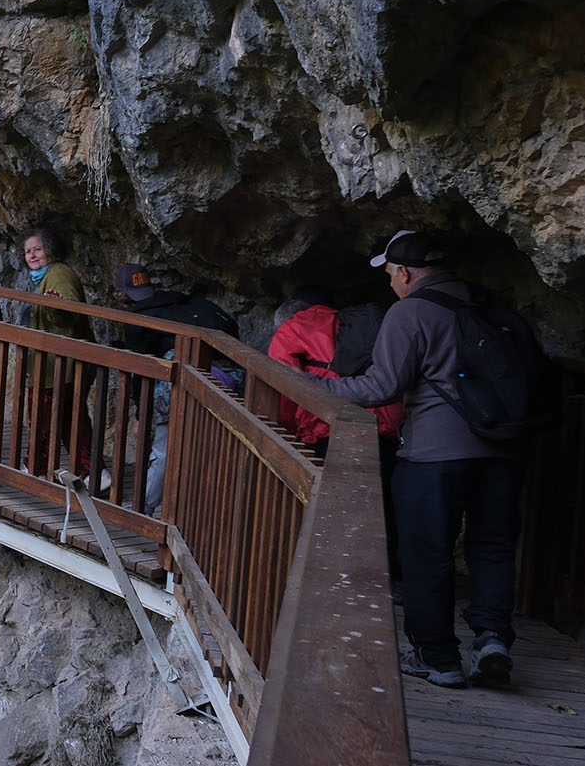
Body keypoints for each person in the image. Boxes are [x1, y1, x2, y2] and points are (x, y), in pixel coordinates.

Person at [304, 230, 526, 690]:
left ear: (404, 272)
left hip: (433, 456)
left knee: (426, 554)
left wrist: (314, 385)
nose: (390, 284)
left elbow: (379, 387)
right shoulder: (492, 304)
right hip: (502, 450)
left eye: (389, 275)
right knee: (493, 546)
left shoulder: (411, 312)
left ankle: (437, 655)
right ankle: (491, 638)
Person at [270, 286, 408, 590]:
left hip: (325, 429)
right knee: (381, 505)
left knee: (329, 509)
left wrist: (283, 432)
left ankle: (334, 578)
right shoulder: (362, 322)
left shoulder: (291, 330)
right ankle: (392, 580)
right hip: (381, 427)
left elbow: (284, 387)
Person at [113, 263, 240, 512]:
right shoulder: (184, 302)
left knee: (164, 449)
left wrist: (142, 415)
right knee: (211, 453)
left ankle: (142, 509)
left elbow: (141, 370)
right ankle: (201, 511)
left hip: (183, 386)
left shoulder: (138, 319)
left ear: (121, 294)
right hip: (228, 381)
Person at [22, 229, 93, 477]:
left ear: (50, 250)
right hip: (60, 364)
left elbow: (69, 311)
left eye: (37, 249)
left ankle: (36, 468)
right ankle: (92, 472)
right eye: (28, 251)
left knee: (45, 419)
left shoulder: (58, 273)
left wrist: (56, 308)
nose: (32, 255)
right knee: (70, 420)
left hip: (60, 366)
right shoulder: (47, 276)